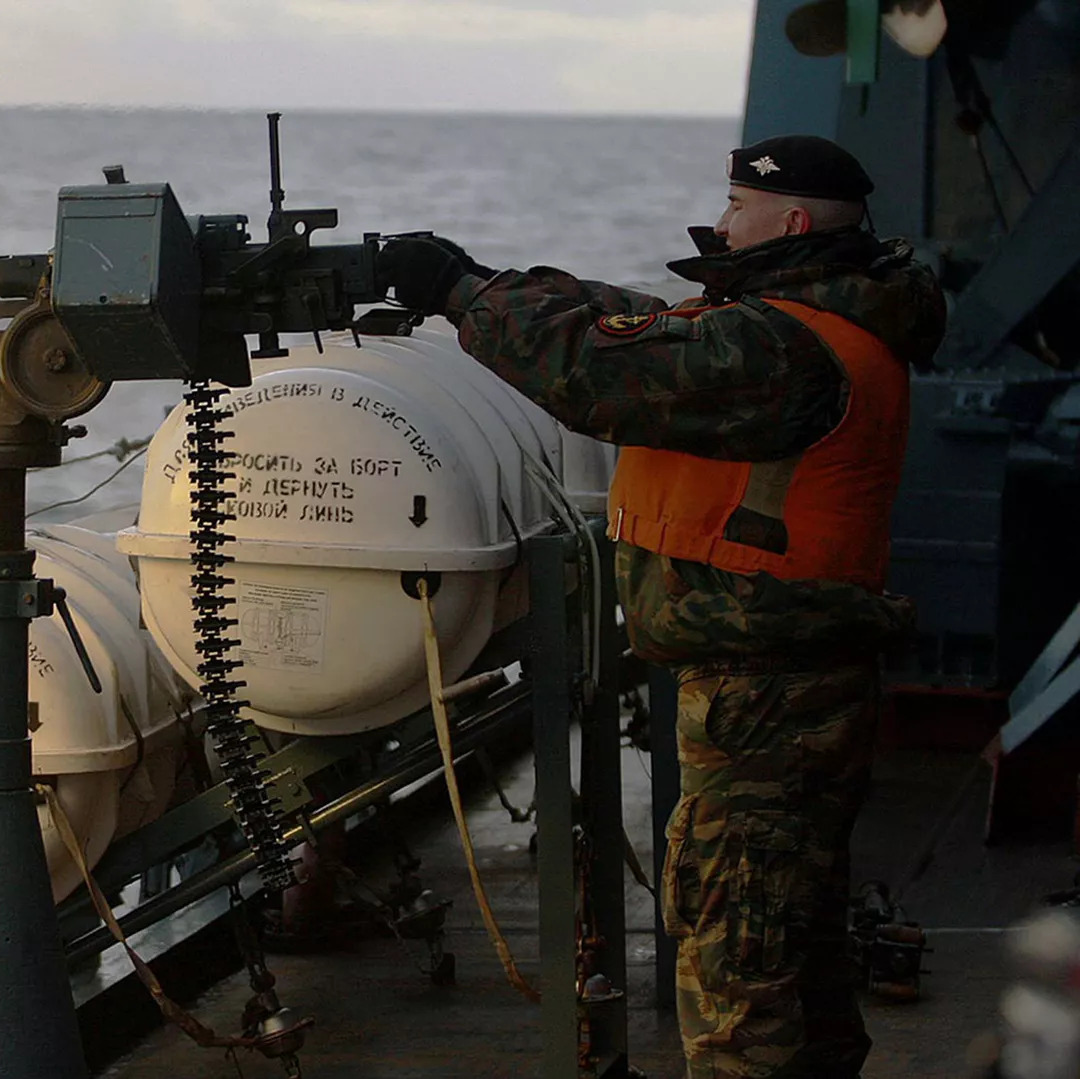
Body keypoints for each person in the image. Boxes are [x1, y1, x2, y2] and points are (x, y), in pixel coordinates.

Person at [375, 134, 946, 1077]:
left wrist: (461, 295)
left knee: (737, 960)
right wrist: (483, 280)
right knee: (792, 945)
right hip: (791, 683)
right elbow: (644, 324)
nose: (721, 223)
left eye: (737, 207)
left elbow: (603, 371)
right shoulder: (816, 319)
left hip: (764, 695)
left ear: (789, 221)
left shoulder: (783, 348)